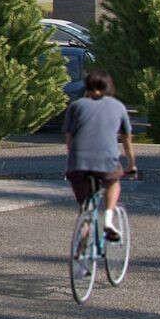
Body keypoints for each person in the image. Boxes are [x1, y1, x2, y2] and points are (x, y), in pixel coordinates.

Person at [63, 70, 138, 242]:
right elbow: (126, 140)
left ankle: (83, 239)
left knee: (85, 207)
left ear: (87, 87)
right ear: (108, 87)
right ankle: (109, 220)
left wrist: (74, 159)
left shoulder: (76, 106)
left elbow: (69, 139)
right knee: (113, 182)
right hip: (106, 161)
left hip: (78, 163)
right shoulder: (118, 106)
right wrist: (131, 165)